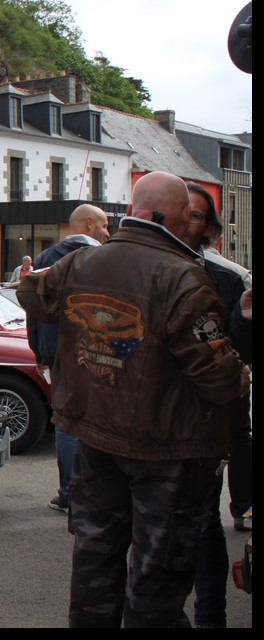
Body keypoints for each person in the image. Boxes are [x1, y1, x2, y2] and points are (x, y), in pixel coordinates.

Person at [17, 171, 248, 628]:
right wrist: (240, 376)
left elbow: (32, 293)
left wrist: (31, 278)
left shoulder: (82, 263)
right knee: (156, 580)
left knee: (94, 565)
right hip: (165, 451)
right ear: (181, 217)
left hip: (95, 438)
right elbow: (217, 378)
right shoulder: (185, 278)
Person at [183, 182, 253, 629]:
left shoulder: (227, 277)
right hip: (146, 424)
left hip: (205, 422)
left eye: (193, 214)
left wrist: (243, 320)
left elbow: (238, 357)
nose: (181, 219)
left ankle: (211, 617)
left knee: (203, 525)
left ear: (209, 226)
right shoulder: (131, 267)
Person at [25, 203, 110, 514]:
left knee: (65, 422)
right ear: (89, 224)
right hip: (89, 351)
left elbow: (31, 310)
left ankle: (68, 493)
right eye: (103, 226)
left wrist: (39, 352)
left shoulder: (46, 259)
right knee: (87, 422)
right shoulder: (100, 259)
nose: (107, 232)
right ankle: (84, 493)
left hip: (54, 352)